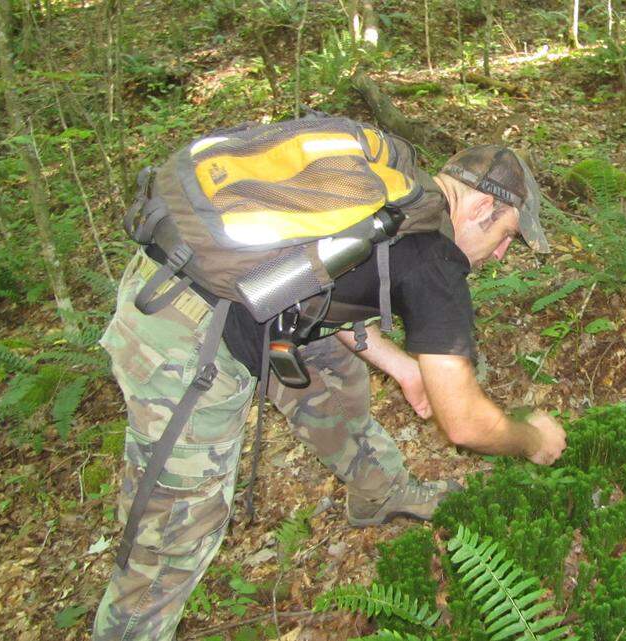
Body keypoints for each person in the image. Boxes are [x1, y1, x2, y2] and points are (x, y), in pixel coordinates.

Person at [92, 141, 568, 640]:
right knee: (174, 532)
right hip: (183, 329)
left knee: (337, 377)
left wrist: (404, 368)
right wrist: (533, 439)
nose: (499, 253)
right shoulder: (435, 258)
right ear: (478, 206)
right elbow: (465, 422)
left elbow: (325, 282)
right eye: (506, 235)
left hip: (230, 296)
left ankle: (379, 491)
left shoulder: (388, 194)